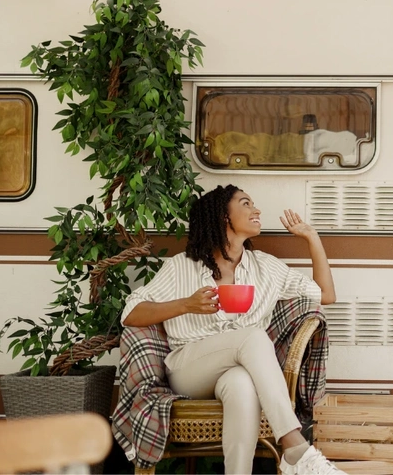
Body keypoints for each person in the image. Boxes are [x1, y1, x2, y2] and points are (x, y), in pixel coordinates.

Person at [121, 184, 346, 475]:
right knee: (253, 337)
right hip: (189, 369)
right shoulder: (182, 267)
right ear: (223, 217)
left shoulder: (266, 268)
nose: (257, 210)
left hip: (236, 368)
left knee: (241, 384)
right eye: (246, 203)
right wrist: (186, 305)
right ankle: (295, 447)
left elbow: (325, 295)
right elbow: (131, 313)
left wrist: (312, 238)